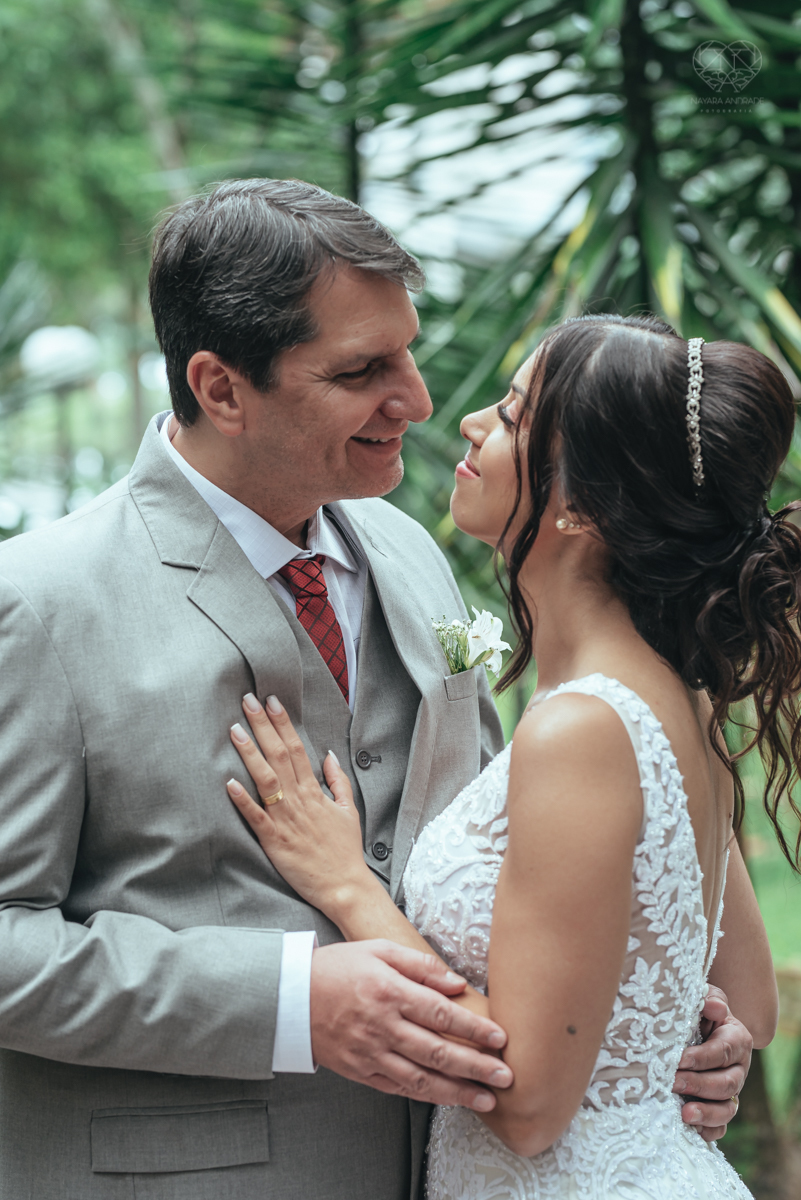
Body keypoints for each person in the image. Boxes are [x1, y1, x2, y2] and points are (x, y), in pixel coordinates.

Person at [0, 178, 747, 1199]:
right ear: (221, 388)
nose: (421, 401)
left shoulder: (410, 553)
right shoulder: (39, 602)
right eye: (363, 370)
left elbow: (539, 859)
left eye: (408, 349)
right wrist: (289, 1002)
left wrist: (675, 1018)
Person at [221, 314, 798, 1198]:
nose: (470, 422)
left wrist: (345, 887)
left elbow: (526, 1108)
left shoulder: (585, 731)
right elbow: (745, 1003)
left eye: (515, 414)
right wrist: (655, 1051)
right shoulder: (672, 694)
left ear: (584, 505)